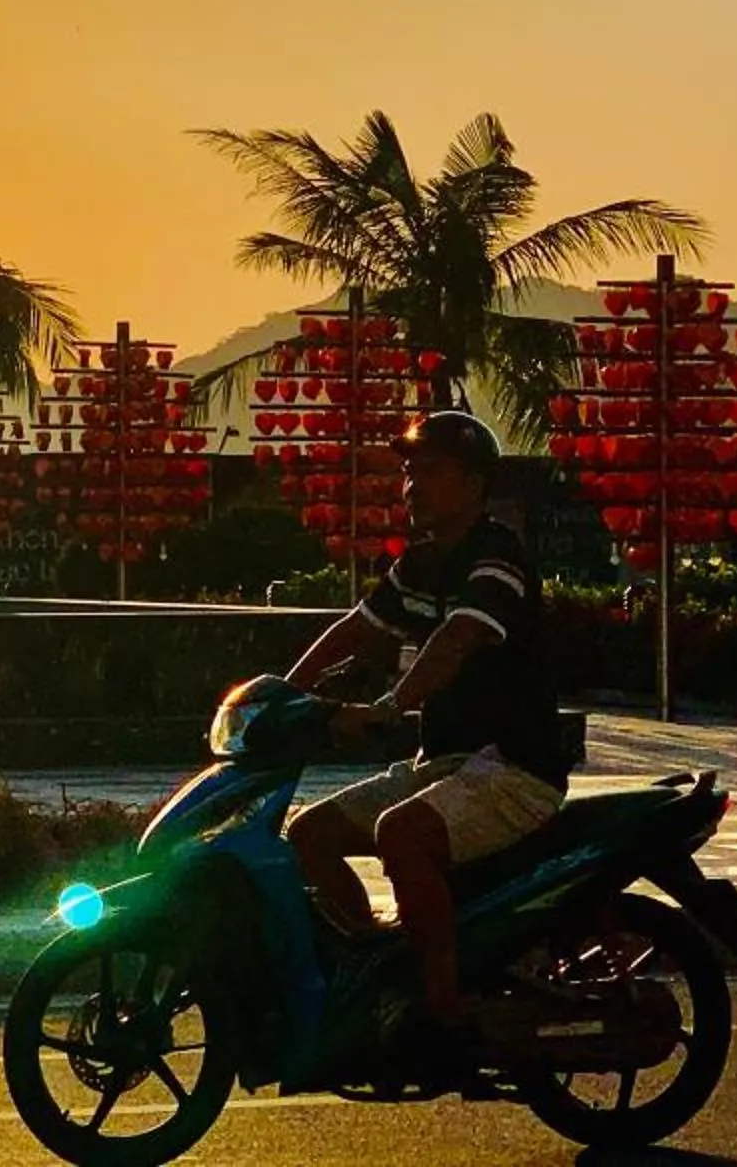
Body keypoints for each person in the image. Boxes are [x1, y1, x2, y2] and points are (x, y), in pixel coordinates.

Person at [280, 409, 567, 1049]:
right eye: (409, 474)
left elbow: (457, 638)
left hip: (515, 769)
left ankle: (443, 998)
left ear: (472, 483)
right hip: (447, 765)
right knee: (309, 833)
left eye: (429, 473)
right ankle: (381, 970)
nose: (412, 487)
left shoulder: (497, 555)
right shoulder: (421, 563)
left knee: (400, 834)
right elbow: (357, 628)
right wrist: (281, 695)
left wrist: (391, 702)